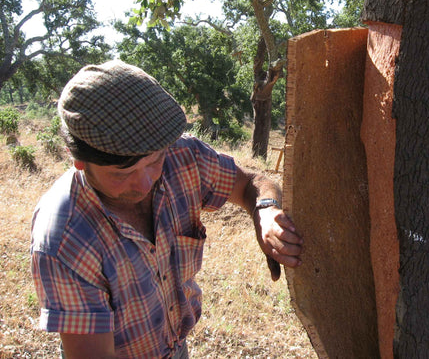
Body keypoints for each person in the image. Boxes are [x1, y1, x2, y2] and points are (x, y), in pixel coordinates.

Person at [30, 60, 303, 358]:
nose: (146, 181)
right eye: (122, 174)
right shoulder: (63, 238)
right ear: (78, 159)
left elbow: (252, 182)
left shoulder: (182, 157)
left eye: (154, 161)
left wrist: (264, 210)